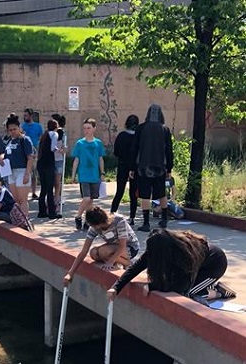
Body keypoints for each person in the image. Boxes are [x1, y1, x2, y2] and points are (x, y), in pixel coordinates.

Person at [106, 229, 235, 302]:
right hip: (199, 264)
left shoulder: (184, 254)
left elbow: (180, 285)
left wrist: (153, 286)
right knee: (186, 287)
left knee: (188, 294)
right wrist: (116, 287)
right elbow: (135, 268)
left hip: (214, 265)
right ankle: (207, 284)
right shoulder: (157, 249)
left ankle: (218, 292)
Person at [63, 206, 140, 286]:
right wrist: (70, 273)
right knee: (94, 253)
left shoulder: (119, 221)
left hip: (130, 247)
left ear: (98, 224)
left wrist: (110, 262)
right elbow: (84, 251)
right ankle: (117, 260)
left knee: (103, 252)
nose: (92, 227)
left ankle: (127, 263)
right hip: (113, 247)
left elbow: (122, 246)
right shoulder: (94, 228)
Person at [130, 104, 173, 231]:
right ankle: (164, 219)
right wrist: (169, 168)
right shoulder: (164, 129)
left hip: (144, 166)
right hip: (160, 166)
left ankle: (146, 223)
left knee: (145, 195)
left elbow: (135, 148)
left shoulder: (141, 128)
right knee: (161, 194)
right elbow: (169, 150)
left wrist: (132, 167)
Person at [71, 118, 106, 231]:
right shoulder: (80, 143)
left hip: (94, 175)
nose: (86, 130)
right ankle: (78, 216)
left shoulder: (98, 143)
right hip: (84, 175)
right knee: (86, 198)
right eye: (85, 128)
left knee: (91, 200)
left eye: (89, 128)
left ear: (94, 129)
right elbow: (76, 160)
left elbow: (100, 159)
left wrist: (102, 173)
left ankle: (88, 220)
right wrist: (73, 175)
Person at [0, 116, 34, 216]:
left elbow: (30, 158)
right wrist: (1, 157)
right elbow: (6, 154)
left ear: (19, 128)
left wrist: (27, 174)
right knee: (16, 200)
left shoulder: (25, 140)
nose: (13, 131)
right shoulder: (10, 141)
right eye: (10, 130)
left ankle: (25, 222)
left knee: (23, 200)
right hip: (11, 172)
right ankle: (18, 220)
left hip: (22, 171)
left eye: (15, 129)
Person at [110, 115, 139, 225]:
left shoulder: (121, 136)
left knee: (119, 191)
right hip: (134, 167)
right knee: (133, 194)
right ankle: (132, 217)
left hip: (122, 165)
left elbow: (116, 152)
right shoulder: (138, 137)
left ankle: (112, 213)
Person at [37, 119, 62, 219]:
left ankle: (42, 211)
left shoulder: (44, 135)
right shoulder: (54, 135)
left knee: (43, 188)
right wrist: (60, 150)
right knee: (50, 188)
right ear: (56, 126)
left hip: (41, 163)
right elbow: (52, 148)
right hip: (48, 163)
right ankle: (52, 212)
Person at [21, 108, 42, 200]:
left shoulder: (38, 126)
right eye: (24, 115)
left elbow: (40, 138)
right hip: (23, 150)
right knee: (24, 171)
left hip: (34, 150)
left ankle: (33, 192)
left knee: (33, 172)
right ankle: (24, 191)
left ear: (31, 116)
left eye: (26, 115)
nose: (24, 117)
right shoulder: (22, 126)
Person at [51, 113, 67, 208]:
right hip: (54, 159)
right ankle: (58, 197)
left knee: (57, 181)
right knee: (56, 181)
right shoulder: (54, 133)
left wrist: (59, 150)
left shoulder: (59, 132)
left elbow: (59, 146)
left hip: (57, 159)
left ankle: (57, 198)